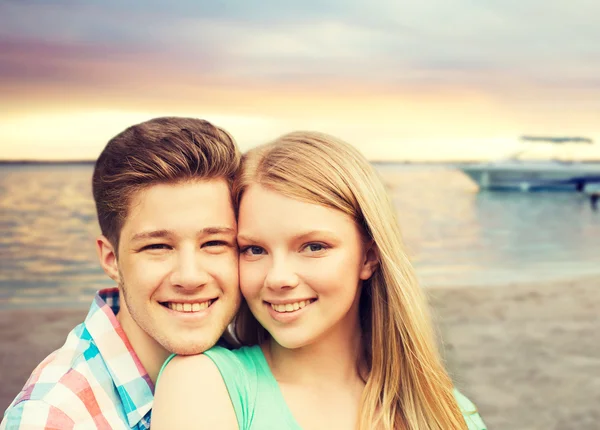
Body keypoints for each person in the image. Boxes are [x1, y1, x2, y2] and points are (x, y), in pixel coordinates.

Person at [152, 131, 486, 429]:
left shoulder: (447, 410)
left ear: (368, 256)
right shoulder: (204, 383)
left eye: (314, 247)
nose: (278, 278)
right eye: (254, 249)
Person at [1, 117, 242, 429]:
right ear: (111, 259)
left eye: (214, 242)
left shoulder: (251, 365)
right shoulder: (54, 417)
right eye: (158, 246)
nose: (190, 276)